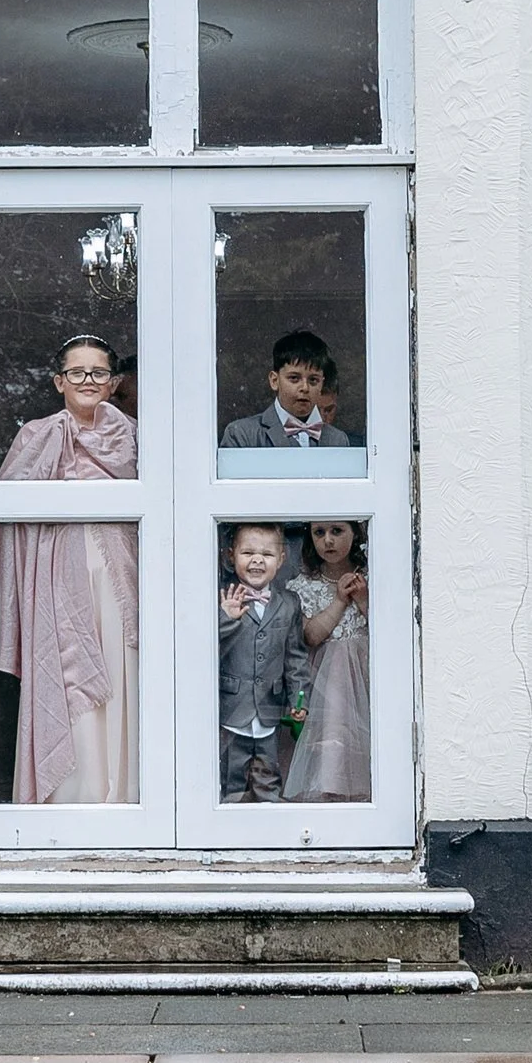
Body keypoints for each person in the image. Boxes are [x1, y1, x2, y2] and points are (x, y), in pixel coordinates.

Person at [0, 335, 138, 806]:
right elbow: (10, 508)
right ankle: (77, 797)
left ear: (114, 383)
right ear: (59, 381)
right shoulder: (35, 435)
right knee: (66, 672)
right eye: (77, 373)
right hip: (58, 574)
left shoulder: (134, 435)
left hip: (120, 570)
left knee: (121, 669)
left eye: (99, 373)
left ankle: (125, 795)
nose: (88, 382)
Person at [285, 520, 371, 800]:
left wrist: (363, 599)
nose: (328, 541)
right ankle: (330, 794)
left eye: (337, 531)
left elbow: (389, 629)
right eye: (319, 533)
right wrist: (339, 601)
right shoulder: (306, 586)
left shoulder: (371, 576)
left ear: (355, 533)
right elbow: (311, 635)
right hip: (328, 680)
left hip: (366, 672)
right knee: (333, 735)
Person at [217, 523, 299, 799]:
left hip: (270, 708)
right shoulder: (220, 598)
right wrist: (225, 618)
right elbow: (202, 648)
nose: (256, 560)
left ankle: (270, 829)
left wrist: (300, 700)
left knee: (268, 778)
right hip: (231, 708)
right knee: (232, 779)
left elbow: (295, 656)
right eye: (247, 552)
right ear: (230, 556)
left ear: (282, 559)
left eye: (267, 554)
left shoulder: (289, 603)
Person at [220, 329, 348, 452]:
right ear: (275, 381)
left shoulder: (338, 440)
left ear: (322, 384)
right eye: (294, 378)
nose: (305, 388)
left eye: (313, 380)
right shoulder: (243, 436)